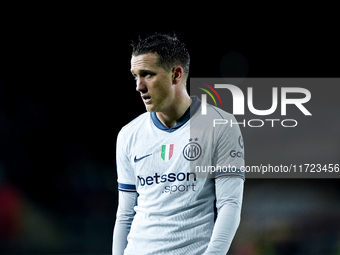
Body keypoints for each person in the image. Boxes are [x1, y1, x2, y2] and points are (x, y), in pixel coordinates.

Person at [113, 33, 245, 255]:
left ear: (176, 74)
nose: (138, 86)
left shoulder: (220, 125)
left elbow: (230, 206)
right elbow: (125, 214)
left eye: (147, 75)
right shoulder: (128, 135)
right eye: (135, 76)